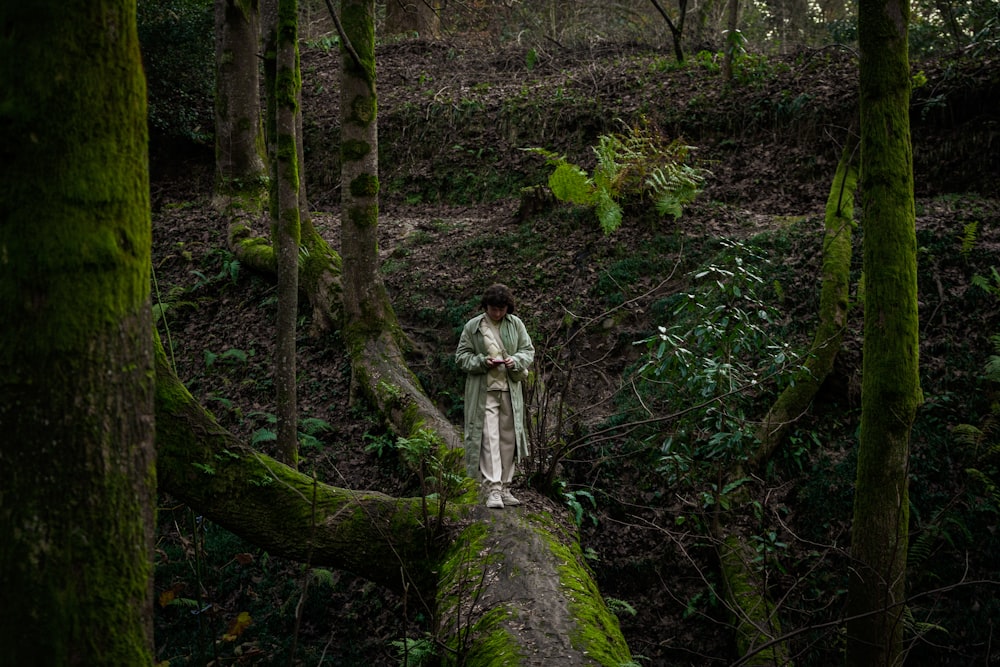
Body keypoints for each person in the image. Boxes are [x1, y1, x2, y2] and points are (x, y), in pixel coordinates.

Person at [455, 284, 534, 509]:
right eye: (493, 309)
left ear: (507, 307)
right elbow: (461, 357)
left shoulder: (515, 324)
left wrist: (515, 361)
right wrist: (481, 361)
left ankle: (507, 487)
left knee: (509, 440)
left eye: (501, 309)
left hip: (510, 390)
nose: (497, 313)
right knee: (489, 439)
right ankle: (493, 489)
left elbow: (528, 351)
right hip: (484, 391)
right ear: (486, 306)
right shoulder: (474, 326)